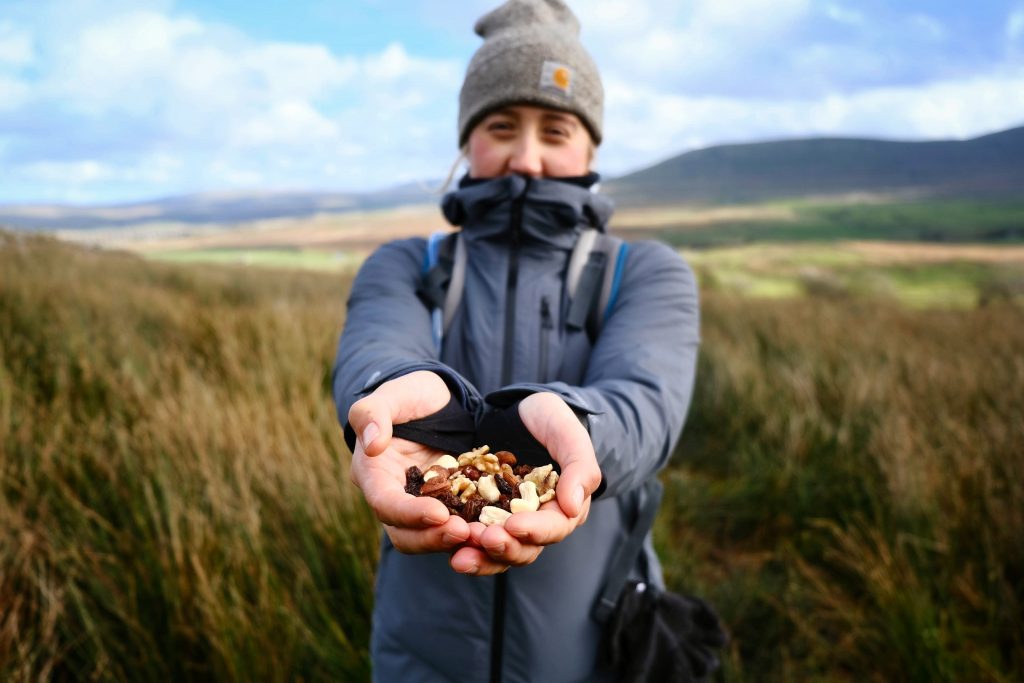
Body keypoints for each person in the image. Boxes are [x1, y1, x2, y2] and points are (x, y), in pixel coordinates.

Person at [331, 1, 700, 680]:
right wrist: (397, 401)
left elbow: (645, 406)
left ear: (590, 148)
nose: (526, 159)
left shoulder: (646, 273)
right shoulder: (405, 264)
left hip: (593, 643)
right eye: (501, 127)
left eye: (555, 130)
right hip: (423, 648)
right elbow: (375, 350)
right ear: (466, 140)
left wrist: (573, 426)